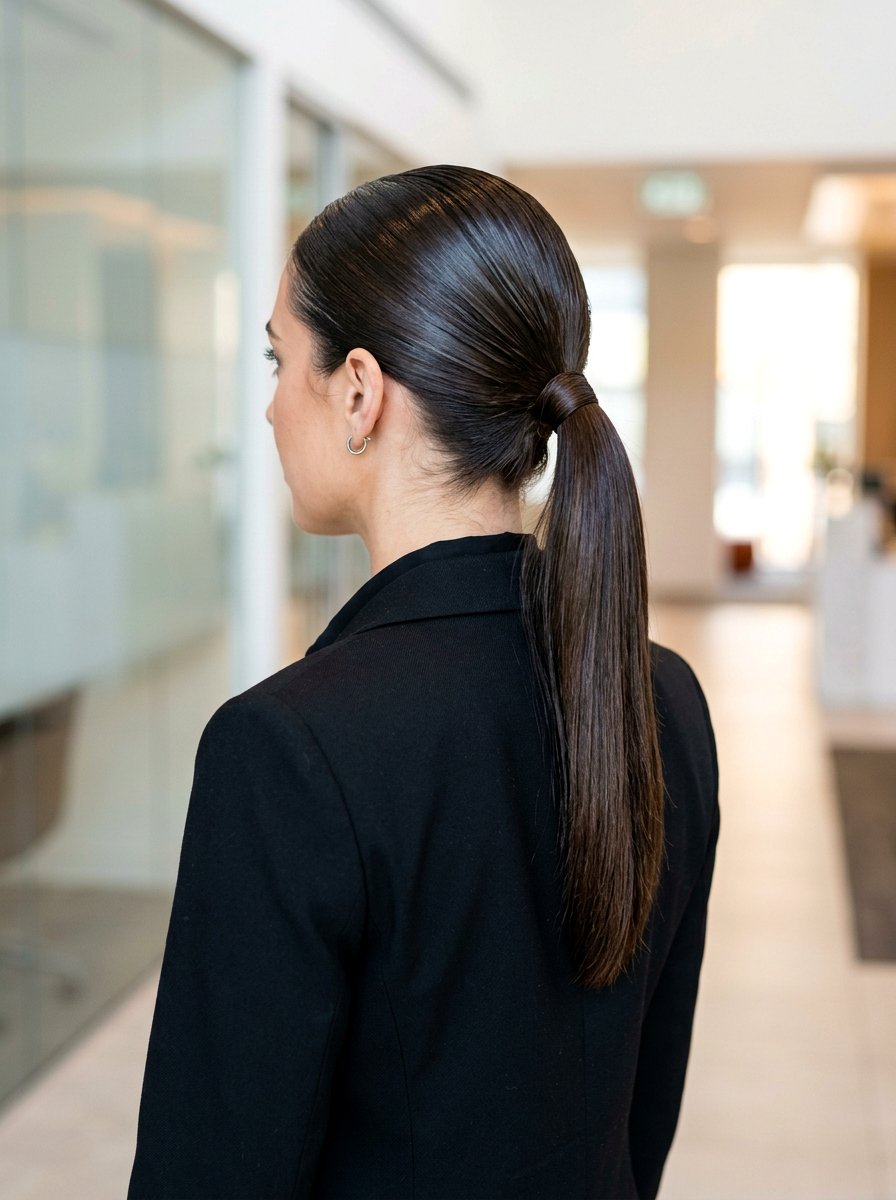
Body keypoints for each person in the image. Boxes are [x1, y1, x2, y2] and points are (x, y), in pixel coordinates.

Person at [127, 164, 720, 1200]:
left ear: (358, 392)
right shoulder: (662, 697)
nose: (268, 410)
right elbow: (644, 1114)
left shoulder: (286, 750)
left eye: (278, 361)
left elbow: (210, 1168)